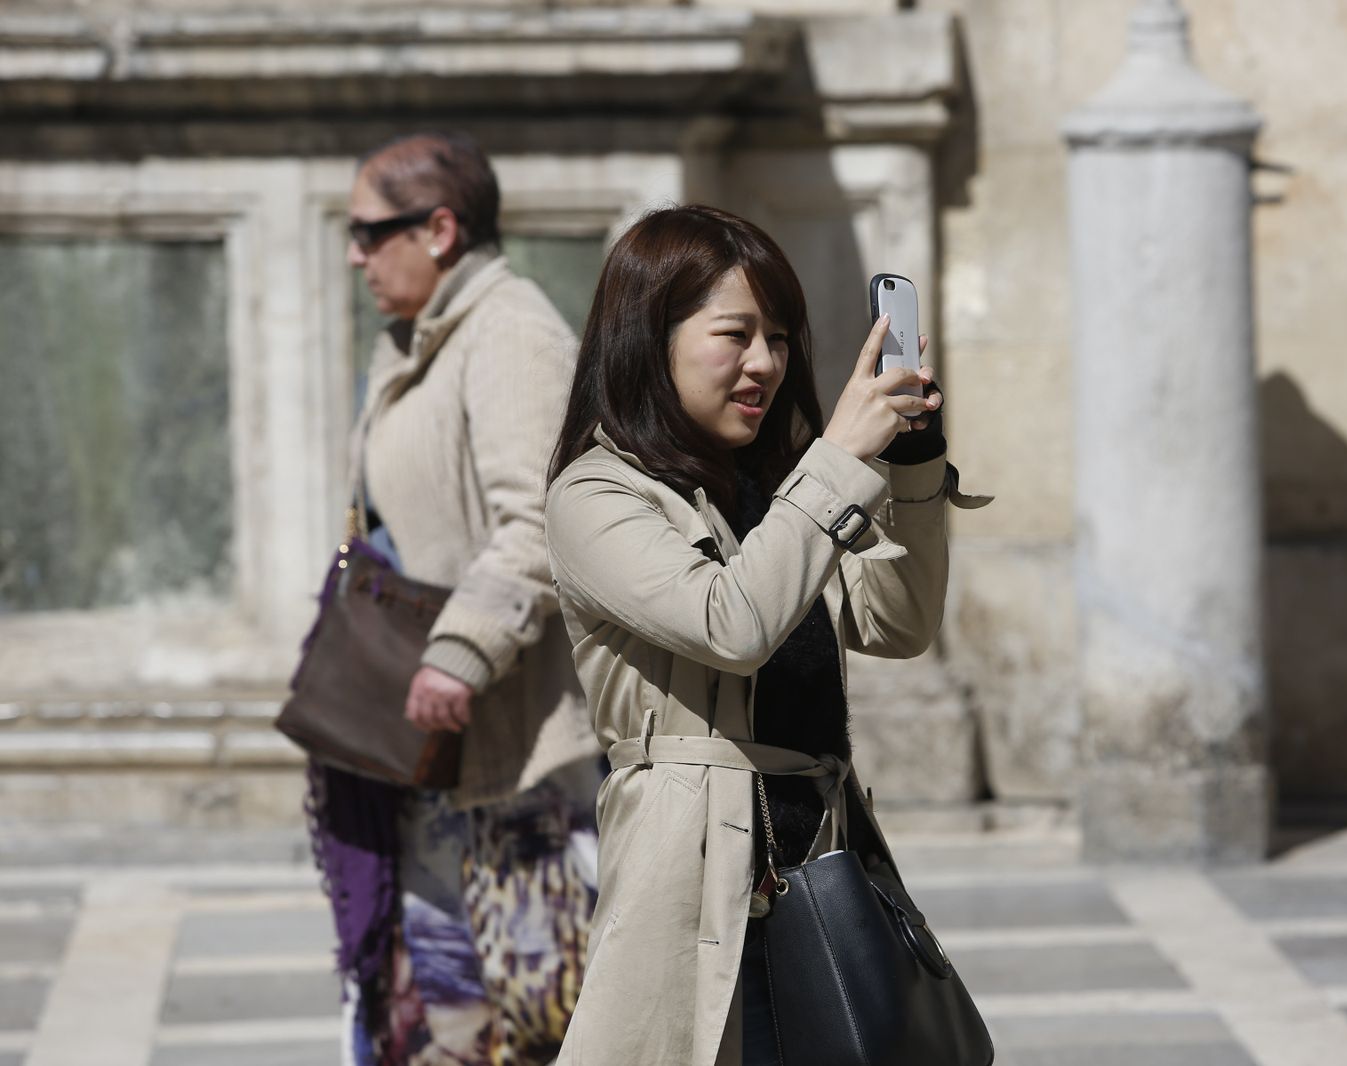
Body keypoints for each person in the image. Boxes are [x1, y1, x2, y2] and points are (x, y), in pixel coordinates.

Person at [543, 205, 989, 1066]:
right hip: (690, 878)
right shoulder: (597, 495)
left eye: (779, 338)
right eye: (734, 334)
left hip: (820, 862)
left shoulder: (775, 489)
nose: (765, 364)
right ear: (650, 335)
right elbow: (732, 623)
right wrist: (837, 461)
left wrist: (911, 463)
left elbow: (894, 623)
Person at [305, 131, 602, 1066]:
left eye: (367, 232)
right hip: (435, 760)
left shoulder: (510, 335)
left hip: (517, 768)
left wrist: (460, 648)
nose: (354, 255)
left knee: (540, 1029)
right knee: (448, 1027)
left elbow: (547, 522)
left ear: (438, 228)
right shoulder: (422, 344)